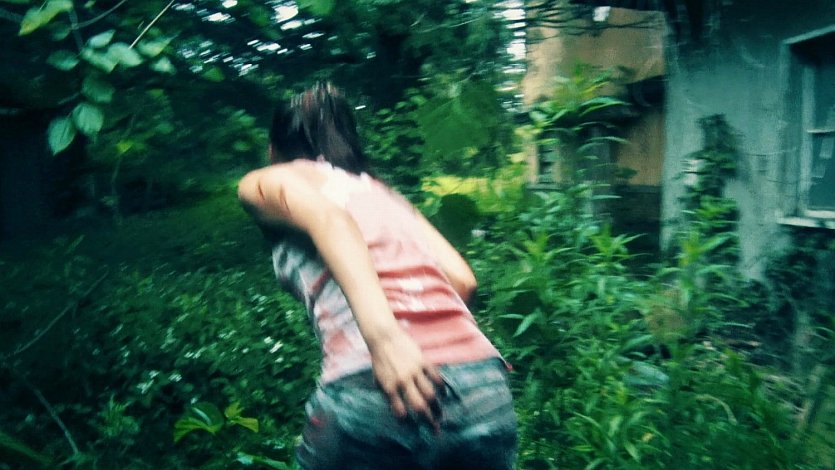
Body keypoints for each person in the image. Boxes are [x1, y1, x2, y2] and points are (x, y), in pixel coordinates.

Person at [237, 82, 517, 469]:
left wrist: (386, 341)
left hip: (377, 388)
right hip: (483, 388)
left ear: (274, 150)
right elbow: (462, 280)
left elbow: (331, 219)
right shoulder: (384, 194)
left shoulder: (269, 179)